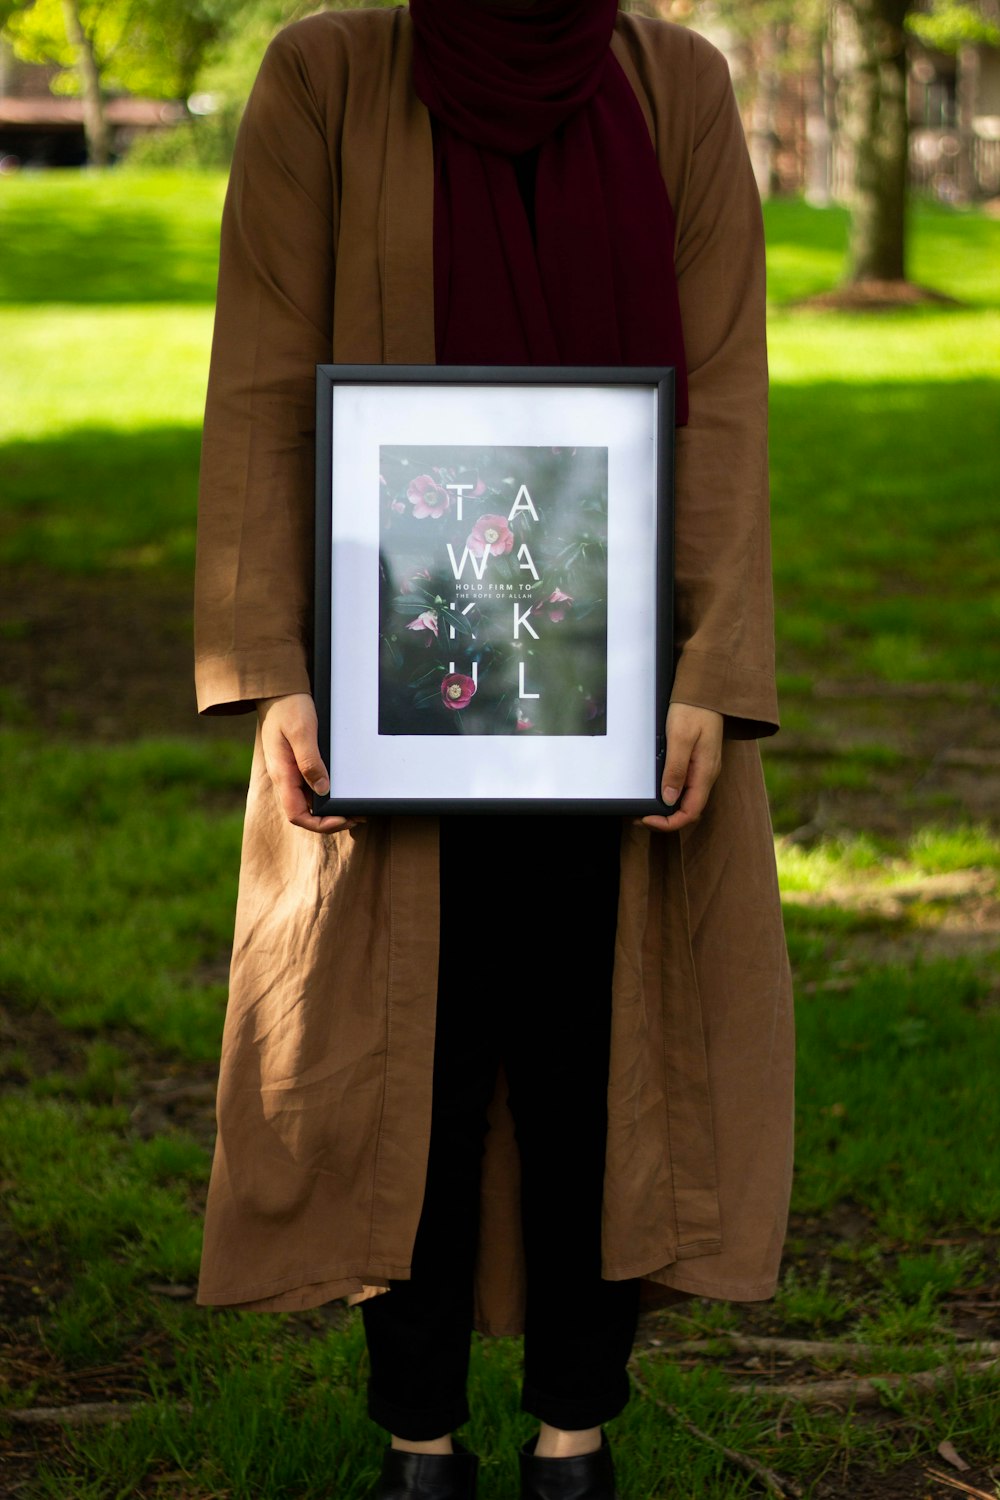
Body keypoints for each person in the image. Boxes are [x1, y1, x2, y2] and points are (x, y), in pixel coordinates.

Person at [192, 1, 796, 1497]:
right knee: (412, 1055)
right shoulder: (324, 76)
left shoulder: (681, 86)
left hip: (622, 685)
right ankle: (419, 1446)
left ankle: (574, 1443)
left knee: (602, 1052)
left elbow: (720, 396)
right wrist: (272, 667)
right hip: (382, 684)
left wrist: (708, 673)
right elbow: (264, 378)